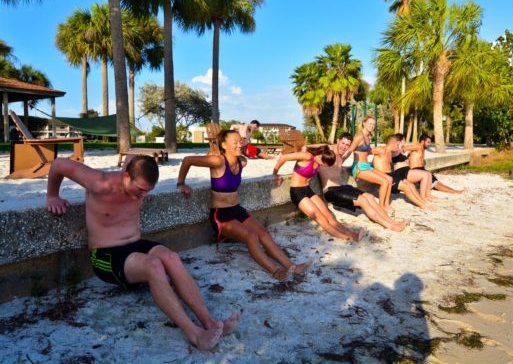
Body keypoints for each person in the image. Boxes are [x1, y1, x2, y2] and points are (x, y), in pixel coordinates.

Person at [46, 155, 239, 350]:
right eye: (140, 190)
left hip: (134, 246)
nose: (142, 196)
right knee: (154, 266)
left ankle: (210, 322)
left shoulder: (137, 181)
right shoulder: (99, 182)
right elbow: (59, 164)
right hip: (105, 256)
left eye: (148, 191)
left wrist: (133, 161)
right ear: (126, 175)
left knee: (171, 257)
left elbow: (133, 157)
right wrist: (52, 195)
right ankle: (194, 334)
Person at [177, 129, 312, 281]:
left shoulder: (242, 162)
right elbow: (188, 160)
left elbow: (251, 153)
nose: (239, 145)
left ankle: (292, 267)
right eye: (234, 142)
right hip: (221, 215)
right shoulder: (218, 161)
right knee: (251, 236)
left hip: (237, 210)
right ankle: (275, 272)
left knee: (264, 233)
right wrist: (181, 183)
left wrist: (273, 172)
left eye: (240, 141)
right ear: (224, 145)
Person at [273, 144, 367, 242]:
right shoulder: (307, 156)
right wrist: (275, 173)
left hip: (307, 189)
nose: (322, 166)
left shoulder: (320, 159)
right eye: (324, 165)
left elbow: (326, 145)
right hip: (297, 192)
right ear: (321, 158)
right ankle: (351, 238)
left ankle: (351, 233)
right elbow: (284, 157)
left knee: (330, 216)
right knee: (322, 219)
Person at [318, 133, 409, 232]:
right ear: (338, 141)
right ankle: (390, 226)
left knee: (370, 197)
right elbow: (308, 150)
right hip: (330, 192)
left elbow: (336, 166)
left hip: (341, 187)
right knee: (363, 200)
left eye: (347, 145)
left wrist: (341, 168)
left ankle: (392, 221)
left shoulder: (340, 157)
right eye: (342, 143)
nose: (344, 147)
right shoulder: (326, 154)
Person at [342, 116, 394, 214]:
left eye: (373, 124)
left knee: (389, 179)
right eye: (370, 123)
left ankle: (386, 204)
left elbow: (367, 152)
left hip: (367, 166)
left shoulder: (368, 136)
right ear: (364, 123)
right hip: (359, 167)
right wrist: (340, 163)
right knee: (384, 181)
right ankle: (381, 207)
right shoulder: (359, 136)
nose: (372, 126)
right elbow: (349, 151)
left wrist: (379, 150)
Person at [371, 136, 436, 211]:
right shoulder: (380, 150)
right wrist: (368, 168)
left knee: (410, 185)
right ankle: (422, 205)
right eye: (397, 145)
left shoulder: (390, 153)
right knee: (406, 187)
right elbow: (366, 152)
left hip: (391, 174)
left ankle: (423, 202)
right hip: (384, 176)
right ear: (392, 144)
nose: (399, 147)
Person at [393, 133, 436, 201]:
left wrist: (407, 158)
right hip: (401, 172)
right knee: (425, 175)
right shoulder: (395, 149)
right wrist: (401, 148)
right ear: (400, 141)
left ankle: (428, 195)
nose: (405, 142)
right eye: (404, 140)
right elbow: (404, 149)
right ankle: (423, 197)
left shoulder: (421, 148)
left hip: (406, 170)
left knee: (428, 174)